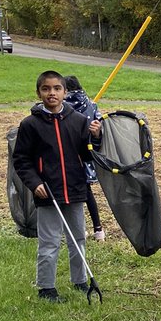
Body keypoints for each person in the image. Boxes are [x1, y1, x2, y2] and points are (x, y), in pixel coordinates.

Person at [12, 70, 102, 303]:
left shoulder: (78, 121)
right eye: (46, 89)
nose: (52, 93)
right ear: (39, 93)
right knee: (50, 241)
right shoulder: (30, 125)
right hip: (48, 192)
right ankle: (46, 287)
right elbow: (21, 160)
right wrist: (34, 183)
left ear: (64, 92)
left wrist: (96, 137)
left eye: (56, 89)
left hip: (74, 188)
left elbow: (88, 155)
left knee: (78, 238)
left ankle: (80, 279)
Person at [64, 75, 105, 242]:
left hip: (68, 156)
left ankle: (78, 229)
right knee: (87, 192)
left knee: (71, 194)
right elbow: (100, 126)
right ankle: (98, 229)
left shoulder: (62, 106)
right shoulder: (91, 104)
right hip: (87, 156)